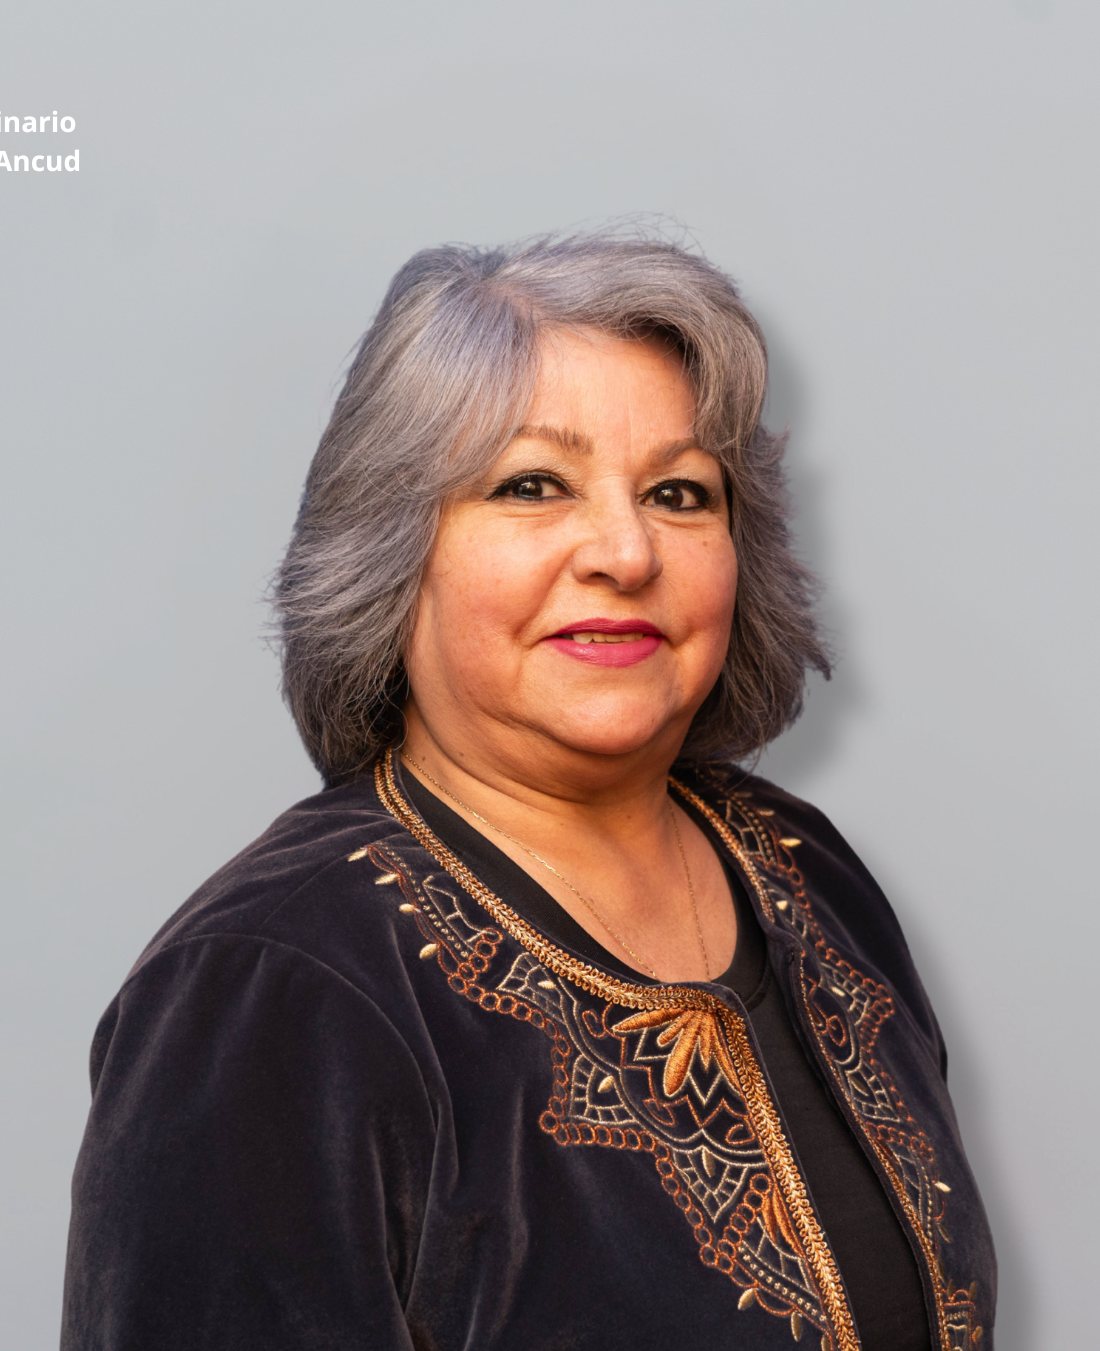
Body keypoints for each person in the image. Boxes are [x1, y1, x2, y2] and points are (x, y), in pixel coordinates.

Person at [60, 233, 995, 1351]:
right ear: (391, 548)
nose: (625, 552)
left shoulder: (806, 872)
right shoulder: (269, 987)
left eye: (679, 493)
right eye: (532, 485)